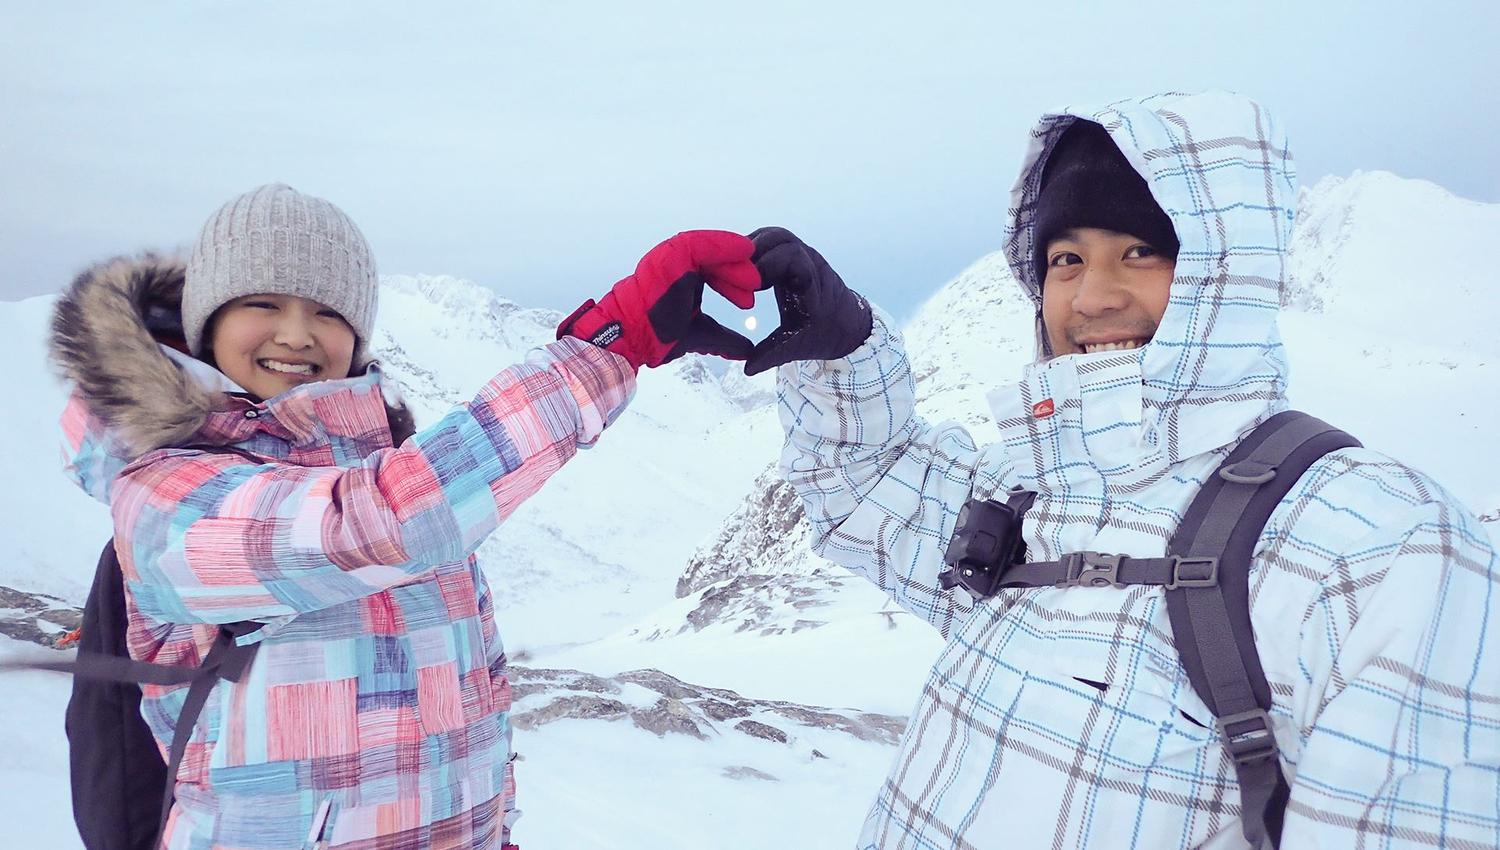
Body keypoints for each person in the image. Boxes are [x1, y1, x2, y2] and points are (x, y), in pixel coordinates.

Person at [744, 91, 1500, 848]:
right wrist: (840, 345)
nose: (1094, 296)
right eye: (1065, 259)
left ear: (1224, 274)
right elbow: (866, 485)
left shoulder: (1380, 544)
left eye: (1141, 251)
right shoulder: (1033, 499)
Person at [50, 183, 759, 850]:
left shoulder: (386, 464)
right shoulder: (165, 495)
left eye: (329, 311)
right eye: (261, 303)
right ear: (206, 320)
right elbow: (374, 527)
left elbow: (461, 701)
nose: (298, 334)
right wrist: (611, 344)